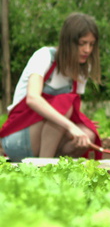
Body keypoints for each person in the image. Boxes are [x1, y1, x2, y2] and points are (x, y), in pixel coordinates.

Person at [0, 12, 103, 162]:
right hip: (18, 137)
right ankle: (43, 169)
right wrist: (69, 125)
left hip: (46, 138)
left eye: (91, 44)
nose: (87, 50)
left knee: (88, 134)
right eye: (82, 43)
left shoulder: (82, 68)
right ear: (68, 42)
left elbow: (74, 108)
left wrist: (77, 125)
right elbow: (32, 99)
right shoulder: (44, 57)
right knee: (64, 106)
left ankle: (55, 166)